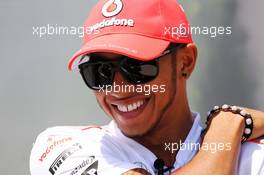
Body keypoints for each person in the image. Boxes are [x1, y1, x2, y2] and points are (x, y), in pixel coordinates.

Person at [30, 0, 264, 174]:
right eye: (100, 72)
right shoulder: (59, 147)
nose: (117, 88)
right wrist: (228, 122)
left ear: (186, 62)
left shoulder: (256, 157)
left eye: (137, 66)